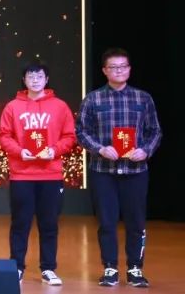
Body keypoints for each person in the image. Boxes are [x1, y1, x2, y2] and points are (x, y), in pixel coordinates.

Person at [77, 48, 161, 288]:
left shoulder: (143, 98)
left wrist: (145, 150)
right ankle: (110, 268)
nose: (119, 71)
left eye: (123, 66)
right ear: (105, 71)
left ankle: (135, 268)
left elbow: (155, 131)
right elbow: (81, 131)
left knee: (136, 222)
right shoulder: (93, 99)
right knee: (106, 222)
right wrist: (100, 148)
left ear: (129, 69)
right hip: (103, 171)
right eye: (113, 67)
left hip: (135, 172)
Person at [0, 62, 76, 286]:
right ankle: (16, 267)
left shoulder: (60, 106)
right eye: (30, 76)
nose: (35, 80)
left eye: (39, 76)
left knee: (49, 224)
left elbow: (69, 136)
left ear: (46, 79)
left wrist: (54, 150)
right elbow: (4, 136)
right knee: (20, 223)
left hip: (51, 175)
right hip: (22, 175)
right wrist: (20, 151)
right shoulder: (13, 107)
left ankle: (48, 268)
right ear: (24, 80)